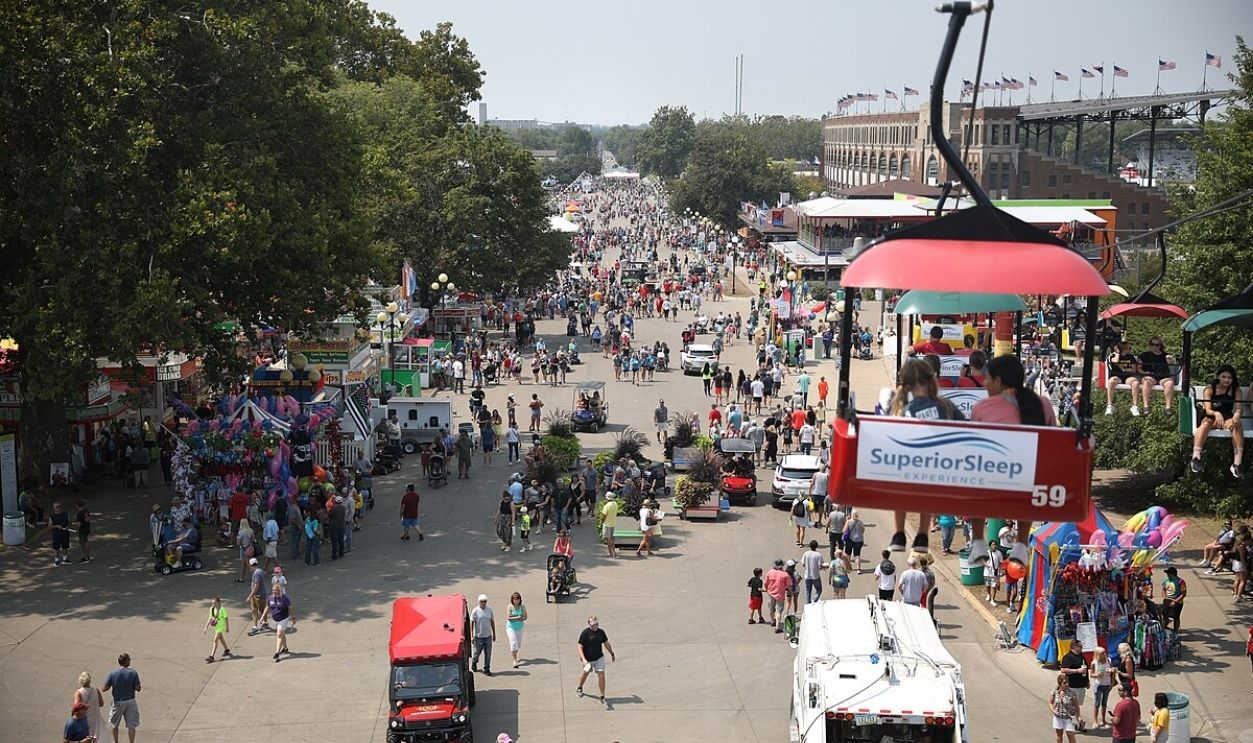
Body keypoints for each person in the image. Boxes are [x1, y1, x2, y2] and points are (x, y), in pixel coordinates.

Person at [968, 355, 1056, 567]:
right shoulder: (1041, 403)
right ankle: (1022, 543)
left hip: (993, 480)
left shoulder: (982, 408)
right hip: (1030, 484)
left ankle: (978, 540)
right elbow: (1053, 438)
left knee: (975, 477)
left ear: (999, 380)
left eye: (988, 379)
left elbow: (973, 446)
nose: (985, 383)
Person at [888, 359, 963, 553]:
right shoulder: (945, 407)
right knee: (928, 490)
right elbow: (966, 429)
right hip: (938, 468)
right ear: (932, 380)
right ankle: (922, 534)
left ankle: (899, 533)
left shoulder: (900, 410)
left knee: (899, 491)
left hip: (907, 468)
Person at [1190, 365, 1243, 478]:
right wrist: (1216, 413)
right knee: (1205, 424)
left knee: (1237, 426)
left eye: (1229, 377)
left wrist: (1237, 414)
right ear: (1218, 377)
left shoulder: (1236, 390)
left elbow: (1239, 407)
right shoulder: (1210, 389)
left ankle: (1236, 463)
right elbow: (1208, 409)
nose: (1226, 380)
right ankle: (1196, 457)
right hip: (1212, 416)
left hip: (1227, 416)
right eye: (1224, 377)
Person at [575, 616, 616, 706]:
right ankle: (580, 687)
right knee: (585, 673)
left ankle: (602, 696)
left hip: (599, 658)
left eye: (596, 624)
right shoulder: (585, 633)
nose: (595, 626)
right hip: (588, 660)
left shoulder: (601, 632)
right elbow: (580, 646)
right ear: (589, 624)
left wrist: (612, 653)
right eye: (593, 625)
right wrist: (584, 659)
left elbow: (606, 643)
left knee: (601, 675)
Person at [102, 653, 141, 743]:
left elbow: (104, 688)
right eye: (129, 659)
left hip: (118, 702)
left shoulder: (113, 673)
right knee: (131, 725)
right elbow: (138, 688)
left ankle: (116, 742)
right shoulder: (133, 673)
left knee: (114, 724)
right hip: (131, 701)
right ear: (126, 661)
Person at [1137, 336, 1176, 413]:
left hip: (1163, 376)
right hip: (1150, 376)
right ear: (1149, 345)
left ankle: (1168, 407)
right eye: (1152, 344)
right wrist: (1145, 373)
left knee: (1170, 383)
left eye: (1157, 345)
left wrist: (1170, 360)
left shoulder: (1165, 355)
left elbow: (1171, 364)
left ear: (1160, 346)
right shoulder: (1144, 355)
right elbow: (1139, 368)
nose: (1154, 346)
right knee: (1146, 381)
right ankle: (1146, 406)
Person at [1104, 342, 1141, 416]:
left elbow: (1133, 370)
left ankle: (1135, 406)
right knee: (1111, 381)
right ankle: (1110, 405)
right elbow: (1116, 361)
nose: (1129, 350)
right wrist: (1118, 353)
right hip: (1117, 376)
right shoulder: (1113, 356)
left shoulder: (1130, 357)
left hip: (1127, 377)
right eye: (1127, 348)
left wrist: (1125, 370)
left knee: (1135, 383)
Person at [1059, 640, 1090, 729]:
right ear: (1074, 647)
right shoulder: (1067, 657)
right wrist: (1077, 671)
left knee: (1076, 705)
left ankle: (1076, 721)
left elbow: (1085, 668)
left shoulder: (1081, 656)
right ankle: (1075, 722)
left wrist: (1087, 681)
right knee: (1072, 706)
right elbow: (1063, 670)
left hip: (1081, 685)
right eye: (1080, 646)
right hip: (1072, 686)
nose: (1082, 648)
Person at [73, 671, 106, 741]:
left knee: (86, 739)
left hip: (84, 719)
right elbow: (101, 703)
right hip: (96, 718)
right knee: (97, 738)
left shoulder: (79, 692)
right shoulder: (96, 690)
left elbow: (76, 707)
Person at [264, 584, 294, 662]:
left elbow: (290, 608)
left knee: (279, 634)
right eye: (273, 591)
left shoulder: (285, 598)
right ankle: (285, 649)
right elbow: (267, 607)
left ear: (280, 590)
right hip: (275, 619)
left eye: (276, 591)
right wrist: (262, 617)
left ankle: (277, 653)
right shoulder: (270, 598)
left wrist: (293, 617)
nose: (275, 592)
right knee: (282, 634)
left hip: (284, 618)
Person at [1049, 673, 1079, 743]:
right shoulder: (1054, 692)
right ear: (1060, 684)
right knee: (1059, 735)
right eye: (1065, 682)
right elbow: (1050, 702)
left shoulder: (1072, 692)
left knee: (1070, 734)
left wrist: (1078, 716)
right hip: (1058, 717)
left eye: (1068, 682)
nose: (1067, 684)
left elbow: (1076, 706)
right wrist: (1053, 711)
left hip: (1069, 717)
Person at [1089, 646, 1115, 728]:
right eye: (1102, 653)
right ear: (1097, 655)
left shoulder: (1109, 661)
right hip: (1098, 685)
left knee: (1104, 703)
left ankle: (1103, 720)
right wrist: (1097, 675)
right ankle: (1095, 720)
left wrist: (1112, 682)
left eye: (1105, 652)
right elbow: (1091, 674)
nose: (1105, 654)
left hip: (1107, 684)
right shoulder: (1094, 663)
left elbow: (1113, 671)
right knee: (1097, 703)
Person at [470, 594, 496, 676]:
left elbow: (492, 621)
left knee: (488, 654)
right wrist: (471, 635)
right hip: (478, 637)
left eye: (485, 601)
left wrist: (494, 633)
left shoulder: (489, 610)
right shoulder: (475, 611)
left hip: (488, 636)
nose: (483, 603)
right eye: (482, 602)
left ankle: (487, 668)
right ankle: (474, 662)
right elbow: (472, 623)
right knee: (476, 653)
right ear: (479, 602)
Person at [764, 558, 791, 631]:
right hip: (780, 595)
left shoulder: (770, 572)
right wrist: (790, 592)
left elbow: (765, 583)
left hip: (771, 593)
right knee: (778, 610)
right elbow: (789, 585)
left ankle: (773, 621)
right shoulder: (785, 574)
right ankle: (777, 626)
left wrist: (767, 590)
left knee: (771, 609)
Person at [202, 597, 231, 663]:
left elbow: (226, 619)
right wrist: (206, 627)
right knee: (221, 638)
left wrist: (227, 628)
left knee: (215, 640)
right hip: (216, 626)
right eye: (212, 603)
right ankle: (227, 649)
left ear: (218, 602)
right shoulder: (211, 609)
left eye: (214, 603)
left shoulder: (222, 609)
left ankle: (212, 656)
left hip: (221, 626)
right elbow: (210, 618)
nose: (213, 605)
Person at [1160, 566, 1186, 633]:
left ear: (1172, 574)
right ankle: (1164, 627)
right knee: (1164, 615)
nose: (1167, 575)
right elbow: (1163, 589)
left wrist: (1175, 601)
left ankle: (1176, 631)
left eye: (1168, 573)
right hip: (1167, 601)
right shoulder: (1166, 581)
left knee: (1176, 617)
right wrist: (1164, 597)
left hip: (1177, 602)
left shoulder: (1180, 582)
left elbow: (1183, 594)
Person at [505, 592, 527, 669]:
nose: (516, 601)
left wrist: (515, 617)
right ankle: (514, 660)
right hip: (511, 627)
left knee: (518, 644)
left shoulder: (522, 607)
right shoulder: (510, 607)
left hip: (520, 627)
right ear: (512, 600)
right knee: (513, 642)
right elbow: (509, 618)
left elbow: (525, 617)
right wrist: (518, 617)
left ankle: (516, 655)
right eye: (514, 599)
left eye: (517, 599)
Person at [49, 501, 72, 566]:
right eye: (56, 507)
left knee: (65, 546)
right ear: (54, 508)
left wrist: (68, 526)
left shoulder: (65, 514)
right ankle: (56, 560)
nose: (58, 508)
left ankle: (65, 559)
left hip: (65, 533)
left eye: (59, 506)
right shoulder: (52, 516)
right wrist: (56, 526)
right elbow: (49, 526)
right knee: (56, 547)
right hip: (56, 534)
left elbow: (69, 522)